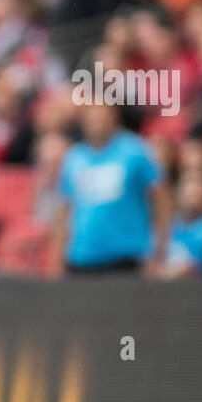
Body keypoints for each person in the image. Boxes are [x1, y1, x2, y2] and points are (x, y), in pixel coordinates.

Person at [50, 99, 170, 276]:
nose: (97, 122)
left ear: (113, 117)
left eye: (102, 116)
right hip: (81, 260)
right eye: (91, 118)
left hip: (126, 259)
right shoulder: (74, 158)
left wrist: (158, 253)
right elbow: (65, 211)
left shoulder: (136, 151)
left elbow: (162, 202)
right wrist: (57, 260)